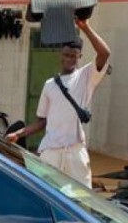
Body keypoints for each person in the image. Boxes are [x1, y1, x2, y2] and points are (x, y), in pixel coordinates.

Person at [6, 17, 111, 187]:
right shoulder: (49, 85)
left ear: (80, 56)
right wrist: (18, 134)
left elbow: (104, 53)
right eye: (66, 54)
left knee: (82, 198)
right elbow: (42, 122)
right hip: (51, 151)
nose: (69, 58)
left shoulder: (86, 77)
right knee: (46, 194)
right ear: (60, 54)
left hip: (75, 151)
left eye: (73, 56)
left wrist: (85, 27)